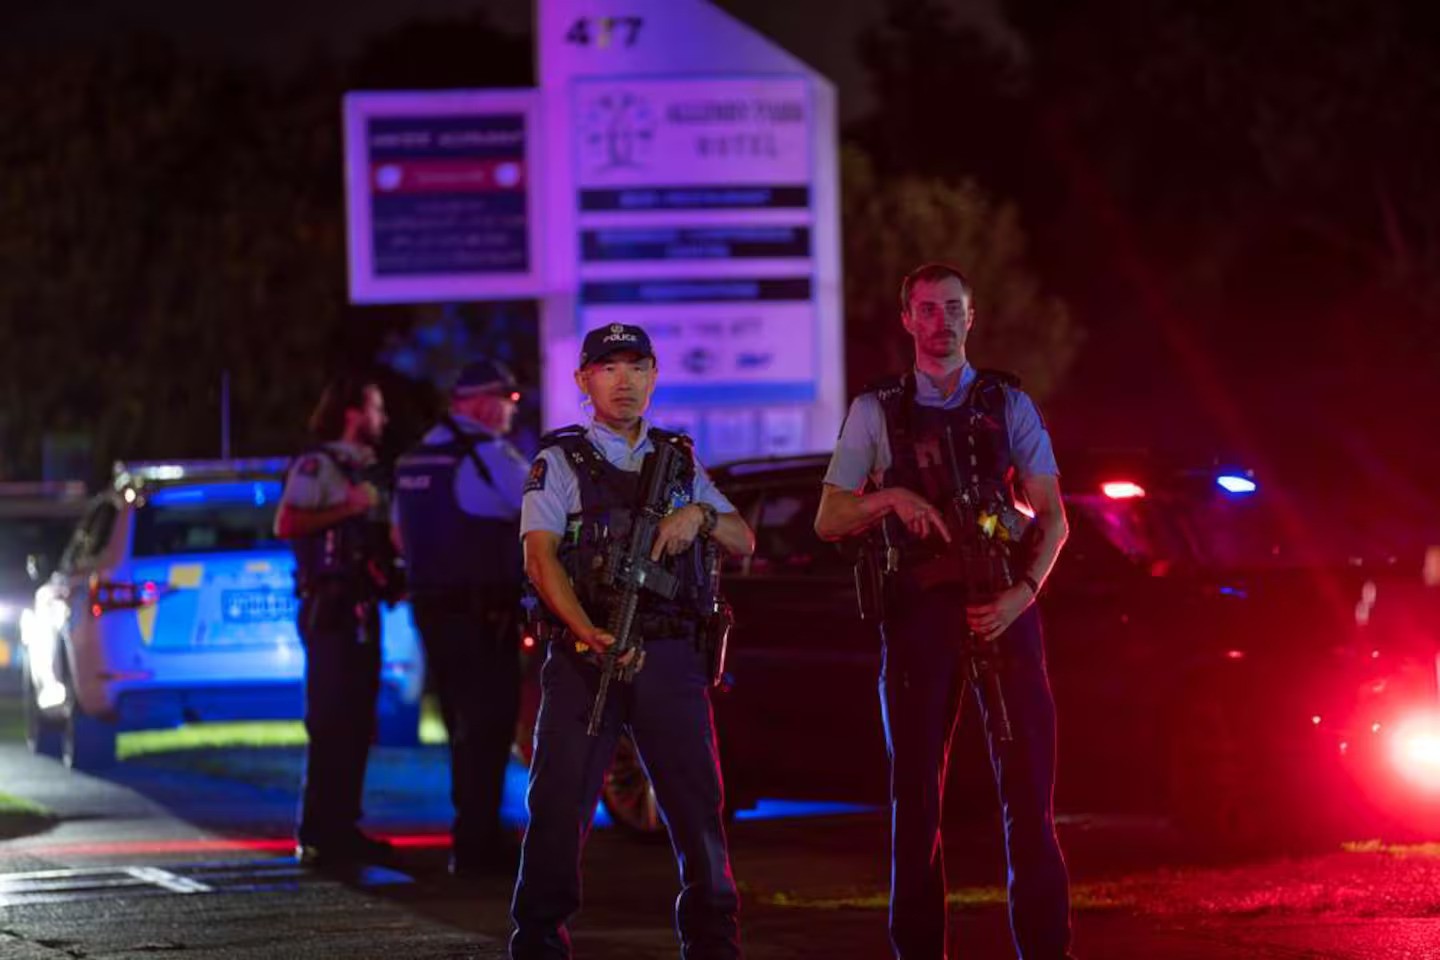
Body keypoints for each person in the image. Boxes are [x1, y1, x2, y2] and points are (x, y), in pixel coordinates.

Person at [814, 263, 1076, 960]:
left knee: (1030, 798)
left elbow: (1053, 519)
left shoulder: (1007, 403)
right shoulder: (877, 409)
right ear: (908, 320)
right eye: (928, 309)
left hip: (1005, 606)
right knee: (916, 804)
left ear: (971, 316)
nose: (942, 321)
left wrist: (1023, 593)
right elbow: (830, 517)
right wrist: (892, 499)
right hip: (920, 615)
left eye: (953, 308)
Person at [510, 323, 755, 960]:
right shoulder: (560, 461)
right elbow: (540, 559)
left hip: (669, 655)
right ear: (583, 380)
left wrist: (698, 514)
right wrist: (585, 631)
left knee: (697, 809)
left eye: (637, 367)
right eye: (609, 368)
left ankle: (713, 943)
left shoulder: (678, 461)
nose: (625, 381)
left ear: (653, 376)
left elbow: (743, 538)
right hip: (585, 656)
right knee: (559, 807)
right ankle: (538, 943)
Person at [393, 358, 530, 877]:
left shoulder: (416, 460)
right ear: (481, 403)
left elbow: (400, 538)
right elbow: (546, 512)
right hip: (484, 615)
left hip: (432, 612)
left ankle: (469, 833)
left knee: (459, 725)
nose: (511, 410)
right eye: (507, 399)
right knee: (490, 725)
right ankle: (479, 843)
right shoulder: (488, 456)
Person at [274, 375, 399, 868]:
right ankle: (317, 831)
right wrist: (349, 505)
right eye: (376, 407)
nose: (383, 418)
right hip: (329, 610)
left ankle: (343, 827)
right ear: (352, 412)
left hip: (363, 608)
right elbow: (287, 522)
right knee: (330, 719)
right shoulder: (318, 465)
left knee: (357, 721)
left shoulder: (368, 469)